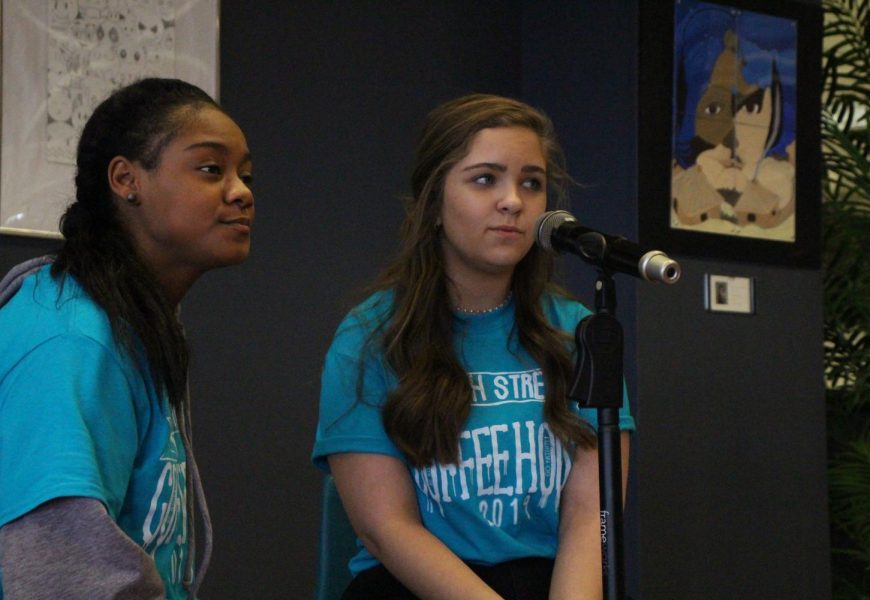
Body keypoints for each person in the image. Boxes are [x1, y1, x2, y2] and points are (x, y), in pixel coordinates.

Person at [312, 94, 635, 599]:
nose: (513, 200)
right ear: (434, 201)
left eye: (531, 182)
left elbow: (588, 516)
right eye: (485, 179)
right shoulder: (372, 335)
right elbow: (386, 527)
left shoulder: (579, 331)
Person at [0, 77, 254, 599]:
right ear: (126, 179)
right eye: (211, 169)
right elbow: (60, 572)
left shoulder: (130, 323)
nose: (242, 191)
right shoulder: (70, 336)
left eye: (245, 174)